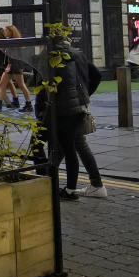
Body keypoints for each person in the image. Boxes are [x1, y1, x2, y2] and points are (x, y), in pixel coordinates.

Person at [37, 36, 106, 200]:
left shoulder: (52, 58)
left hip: (62, 110)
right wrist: (84, 96)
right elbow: (96, 74)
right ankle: (92, 185)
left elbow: (42, 89)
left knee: (65, 146)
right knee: (74, 145)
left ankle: (61, 184)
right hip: (77, 107)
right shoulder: (78, 54)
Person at [0, 25, 32, 112]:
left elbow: (14, 55)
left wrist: (9, 65)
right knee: (2, 84)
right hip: (11, 65)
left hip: (15, 65)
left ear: (11, 32)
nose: (5, 32)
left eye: (6, 31)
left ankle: (29, 104)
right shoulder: (10, 41)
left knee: (21, 85)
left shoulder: (14, 42)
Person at [0, 28, 19, 109]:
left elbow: (7, 55)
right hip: (0, 65)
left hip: (4, 66)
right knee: (8, 83)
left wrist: (6, 65)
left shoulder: (4, 42)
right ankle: (15, 100)